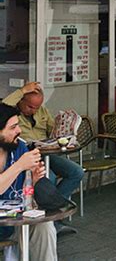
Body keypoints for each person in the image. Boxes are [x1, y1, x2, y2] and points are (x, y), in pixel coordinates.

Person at [3, 82, 84, 234]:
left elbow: (53, 131)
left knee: (76, 172)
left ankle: (54, 214)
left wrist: (65, 128)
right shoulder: (11, 115)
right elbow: (3, 106)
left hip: (47, 151)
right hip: (27, 154)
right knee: (48, 178)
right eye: (30, 107)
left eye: (37, 107)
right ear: (20, 101)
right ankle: (51, 221)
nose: (33, 111)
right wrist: (22, 91)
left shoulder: (42, 111)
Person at [0, 103, 57, 260]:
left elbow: (28, 190)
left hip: (16, 221)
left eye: (18, 125)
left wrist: (35, 179)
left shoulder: (19, 148)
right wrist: (19, 166)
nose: (19, 131)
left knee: (44, 226)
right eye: (12, 128)